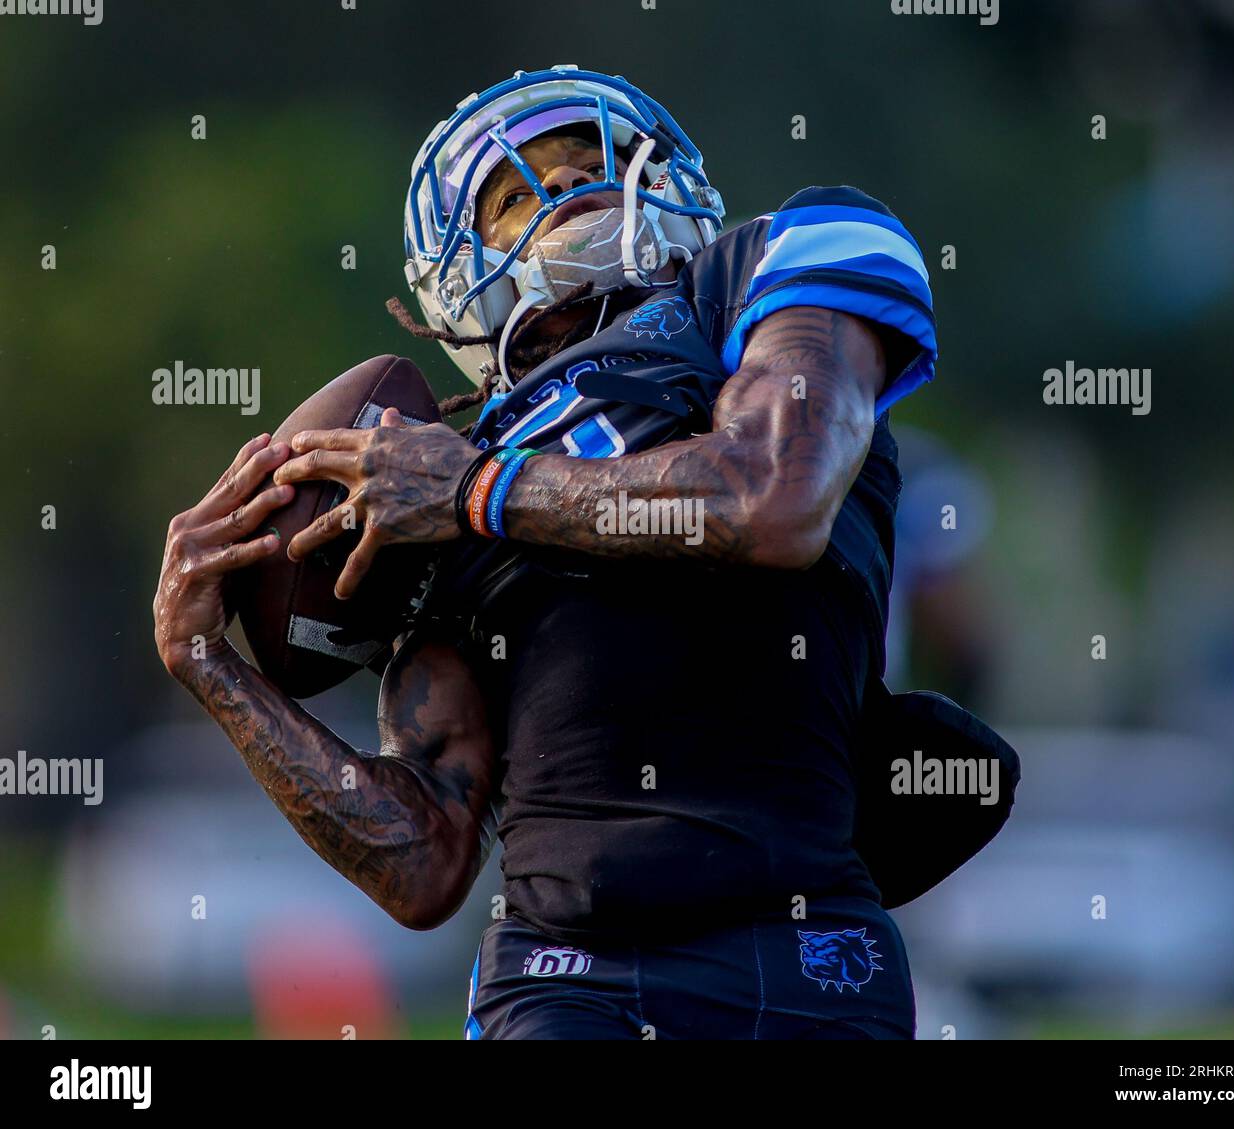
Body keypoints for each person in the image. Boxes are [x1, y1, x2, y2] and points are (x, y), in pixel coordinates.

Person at [153, 65, 938, 1040]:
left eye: (588, 166)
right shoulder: (423, 478)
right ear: (453, 277)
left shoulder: (784, 264)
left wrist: (480, 493)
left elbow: (774, 496)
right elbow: (423, 860)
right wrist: (214, 669)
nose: (565, 191)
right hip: (566, 970)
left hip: (803, 942)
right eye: (517, 193)